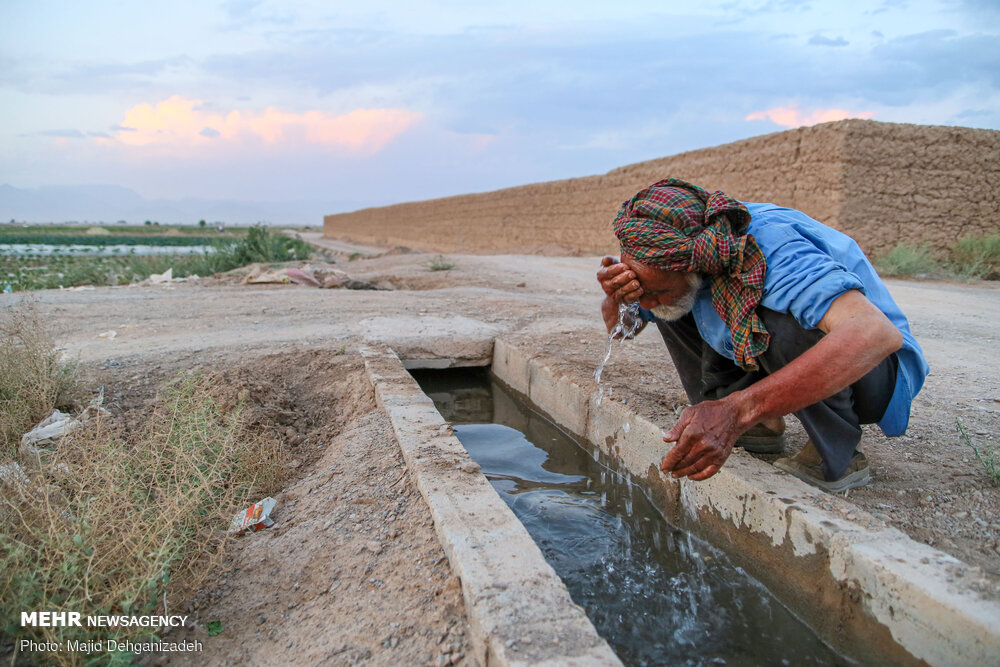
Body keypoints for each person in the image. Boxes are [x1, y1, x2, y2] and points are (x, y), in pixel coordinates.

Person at [596, 178, 928, 492]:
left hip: (875, 375)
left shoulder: (773, 249)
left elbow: (874, 334)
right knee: (673, 306)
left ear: (696, 264)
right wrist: (619, 295)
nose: (647, 303)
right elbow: (622, 332)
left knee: (784, 317)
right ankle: (760, 426)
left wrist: (736, 410)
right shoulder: (670, 254)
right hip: (838, 361)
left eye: (653, 291)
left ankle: (835, 451)